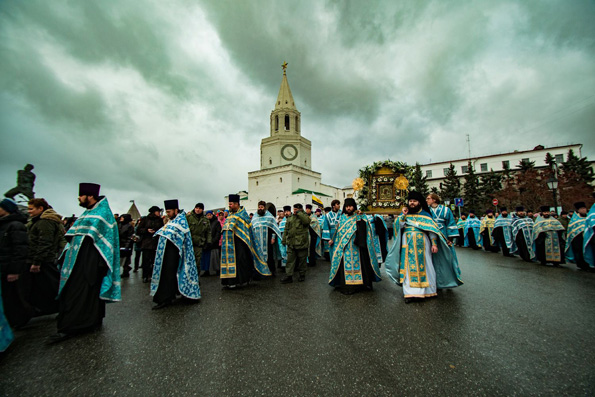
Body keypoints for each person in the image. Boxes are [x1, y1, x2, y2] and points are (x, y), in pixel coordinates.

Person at [52, 183, 120, 343]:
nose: (78, 198)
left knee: (80, 294)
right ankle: (89, 322)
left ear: (90, 196)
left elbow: (107, 241)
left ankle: (70, 327)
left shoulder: (102, 215)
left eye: (81, 195)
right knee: (84, 294)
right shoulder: (87, 213)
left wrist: (97, 265)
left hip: (90, 263)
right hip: (76, 262)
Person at [385, 191, 462, 303]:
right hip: (407, 244)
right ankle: (410, 293)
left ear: (419, 203)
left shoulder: (426, 215)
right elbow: (398, 226)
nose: (412, 203)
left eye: (414, 201)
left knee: (426, 266)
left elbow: (432, 231)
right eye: (410, 201)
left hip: (423, 243)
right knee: (407, 268)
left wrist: (434, 244)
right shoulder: (405, 214)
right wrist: (402, 216)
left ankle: (427, 291)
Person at [151, 200, 200, 309]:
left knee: (169, 274)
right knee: (168, 275)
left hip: (175, 254)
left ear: (176, 210)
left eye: (169, 212)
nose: (167, 214)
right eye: (166, 212)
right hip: (167, 254)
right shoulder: (171, 221)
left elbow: (179, 237)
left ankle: (167, 298)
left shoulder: (180, 221)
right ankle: (169, 296)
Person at [328, 198, 381, 294]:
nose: (348, 208)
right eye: (347, 206)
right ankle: (347, 286)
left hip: (357, 247)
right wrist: (333, 239)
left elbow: (367, 226)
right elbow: (338, 232)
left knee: (360, 264)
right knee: (345, 267)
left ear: (354, 207)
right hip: (345, 247)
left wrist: (362, 216)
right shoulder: (342, 218)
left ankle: (360, 286)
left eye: (350, 206)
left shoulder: (359, 216)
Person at [26, 198, 66, 317]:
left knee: (50, 286)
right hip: (41, 258)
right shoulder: (39, 221)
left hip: (43, 259)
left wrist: (37, 262)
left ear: (41, 208)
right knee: (44, 287)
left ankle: (62, 306)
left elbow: (45, 242)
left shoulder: (45, 222)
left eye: (31, 209)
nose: (29, 211)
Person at [220, 194, 271, 288]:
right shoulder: (230, 216)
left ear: (236, 204)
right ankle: (228, 281)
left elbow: (247, 231)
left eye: (231, 204)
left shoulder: (242, 216)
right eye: (229, 204)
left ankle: (238, 281)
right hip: (228, 245)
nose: (229, 206)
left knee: (241, 261)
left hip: (240, 244)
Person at [0, 198, 31, 328]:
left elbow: (20, 248)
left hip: (10, 266)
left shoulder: (15, 225)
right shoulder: (4, 225)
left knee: (13, 296)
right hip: (4, 265)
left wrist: (14, 269)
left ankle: (20, 319)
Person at [251, 201, 285, 276]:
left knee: (269, 256)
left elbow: (274, 228)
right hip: (258, 241)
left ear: (264, 208)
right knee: (258, 255)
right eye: (259, 207)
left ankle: (271, 271)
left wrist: (273, 238)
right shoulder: (255, 217)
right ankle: (259, 272)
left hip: (267, 240)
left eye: (262, 207)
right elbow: (252, 228)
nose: (260, 208)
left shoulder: (269, 217)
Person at [281, 203, 311, 283]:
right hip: (291, 243)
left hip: (301, 243)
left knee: (302, 261)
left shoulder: (304, 216)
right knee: (290, 261)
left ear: (300, 209)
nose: (294, 211)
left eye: (296, 209)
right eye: (294, 209)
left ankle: (302, 275)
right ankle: (289, 276)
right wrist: (284, 240)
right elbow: (286, 229)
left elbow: (306, 222)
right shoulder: (290, 218)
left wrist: (299, 213)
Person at [137, 206, 164, 283]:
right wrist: (147, 230)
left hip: (156, 242)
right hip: (146, 243)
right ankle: (145, 276)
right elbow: (139, 230)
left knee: (154, 260)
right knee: (146, 260)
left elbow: (162, 229)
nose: (159, 213)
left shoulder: (160, 220)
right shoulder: (145, 219)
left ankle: (152, 275)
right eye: (158, 211)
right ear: (154, 212)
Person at [565, 202, 593, 270]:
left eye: (584, 208)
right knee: (579, 251)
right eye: (581, 209)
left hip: (588, 238)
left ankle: (589, 263)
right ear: (578, 210)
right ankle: (582, 264)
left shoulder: (589, 217)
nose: (583, 210)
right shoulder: (574, 220)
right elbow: (572, 230)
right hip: (578, 239)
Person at [187, 203, 212, 276]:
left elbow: (208, 232)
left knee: (197, 262)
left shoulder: (205, 220)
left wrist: (209, 241)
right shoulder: (188, 217)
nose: (198, 210)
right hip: (189, 243)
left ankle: (196, 278)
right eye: (196, 208)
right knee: (188, 262)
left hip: (199, 243)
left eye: (200, 208)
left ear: (202, 210)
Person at [206, 211, 222, 276]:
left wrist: (214, 240)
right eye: (208, 215)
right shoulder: (205, 223)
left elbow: (218, 232)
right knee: (207, 257)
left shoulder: (216, 223)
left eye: (210, 215)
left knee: (215, 258)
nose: (209, 216)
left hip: (214, 243)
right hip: (207, 243)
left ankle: (217, 270)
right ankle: (207, 270)